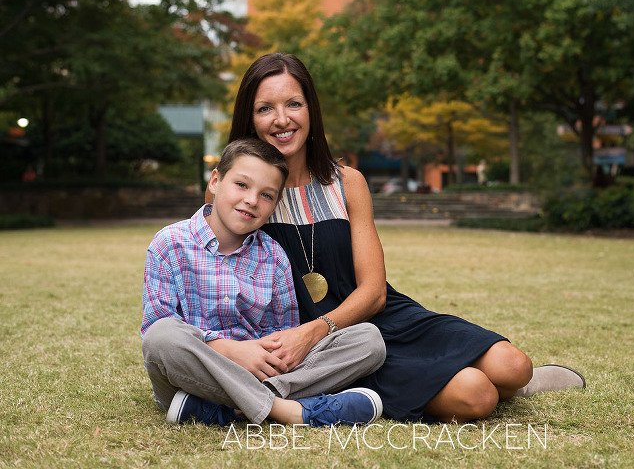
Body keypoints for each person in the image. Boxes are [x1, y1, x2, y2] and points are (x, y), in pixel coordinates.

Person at [218, 53, 586, 423]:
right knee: (476, 397)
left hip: (378, 318)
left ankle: (512, 384)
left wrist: (315, 330)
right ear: (249, 119)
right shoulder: (238, 193)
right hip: (336, 351)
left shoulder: (347, 183)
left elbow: (375, 291)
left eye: (294, 104)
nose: (282, 119)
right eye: (266, 108)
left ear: (311, 110)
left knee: (515, 365)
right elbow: (216, 279)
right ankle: (400, 387)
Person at [141, 137, 386, 428]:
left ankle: (222, 410)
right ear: (216, 181)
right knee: (162, 336)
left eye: (267, 195)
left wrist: (265, 353)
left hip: (261, 371)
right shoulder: (169, 244)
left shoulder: (274, 257)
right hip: (197, 372)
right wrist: (231, 351)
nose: (251, 200)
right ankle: (290, 411)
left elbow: (283, 332)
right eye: (241, 185)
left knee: (369, 341)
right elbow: (157, 328)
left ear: (274, 205)